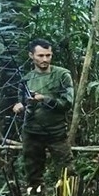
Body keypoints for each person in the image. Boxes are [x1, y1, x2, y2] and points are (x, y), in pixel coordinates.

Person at [12, 39, 75, 188]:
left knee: (68, 174)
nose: (45, 59)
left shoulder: (62, 75)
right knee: (33, 177)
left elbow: (67, 103)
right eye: (40, 55)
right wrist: (19, 107)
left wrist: (44, 99)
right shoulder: (26, 79)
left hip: (56, 132)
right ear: (31, 55)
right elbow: (22, 103)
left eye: (48, 55)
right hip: (31, 133)